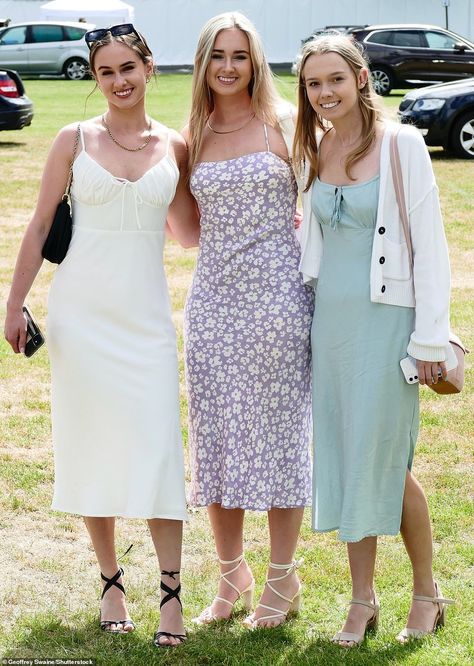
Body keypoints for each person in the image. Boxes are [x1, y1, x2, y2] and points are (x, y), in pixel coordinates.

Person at [4, 23, 199, 648]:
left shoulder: (175, 145)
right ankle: (111, 582)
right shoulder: (74, 139)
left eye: (128, 68)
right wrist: (13, 306)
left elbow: (190, 232)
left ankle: (171, 595)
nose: (118, 81)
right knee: (90, 446)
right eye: (106, 72)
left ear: (149, 69)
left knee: (159, 449)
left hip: (144, 321)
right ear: (96, 78)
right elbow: (38, 228)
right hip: (80, 316)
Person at [293, 33, 454, 646]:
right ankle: (362, 601)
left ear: (361, 79)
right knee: (343, 454)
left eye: (335, 79)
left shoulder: (402, 145)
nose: (325, 92)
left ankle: (426, 590)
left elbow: (431, 250)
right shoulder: (316, 148)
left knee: (388, 463)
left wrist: (430, 342)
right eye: (313, 83)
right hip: (330, 329)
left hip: (388, 326)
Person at [183, 12, 314, 629]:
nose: (229, 67)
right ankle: (231, 572)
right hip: (212, 307)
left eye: (240, 56)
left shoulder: (286, 124)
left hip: (280, 304)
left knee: (282, 440)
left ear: (256, 62)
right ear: (203, 64)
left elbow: (323, 205)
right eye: (218, 57)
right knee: (217, 442)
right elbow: (184, 230)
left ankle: (283, 580)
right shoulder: (193, 133)